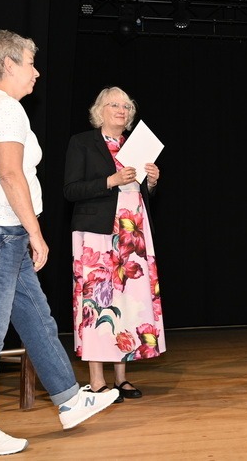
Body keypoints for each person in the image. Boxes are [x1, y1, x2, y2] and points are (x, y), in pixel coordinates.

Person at [0, 30, 119, 457]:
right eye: (30, 62)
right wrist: (35, 231)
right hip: (1, 230)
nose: (36, 72)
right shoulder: (6, 108)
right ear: (8, 64)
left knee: (38, 321)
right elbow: (10, 175)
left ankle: (69, 398)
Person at [64, 86, 165, 403]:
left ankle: (121, 378)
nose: (121, 110)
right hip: (96, 235)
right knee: (97, 304)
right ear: (100, 110)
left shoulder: (134, 146)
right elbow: (71, 190)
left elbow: (141, 195)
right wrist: (111, 180)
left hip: (132, 233)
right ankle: (96, 381)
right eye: (114, 104)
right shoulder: (82, 142)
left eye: (126, 105)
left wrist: (150, 182)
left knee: (128, 304)